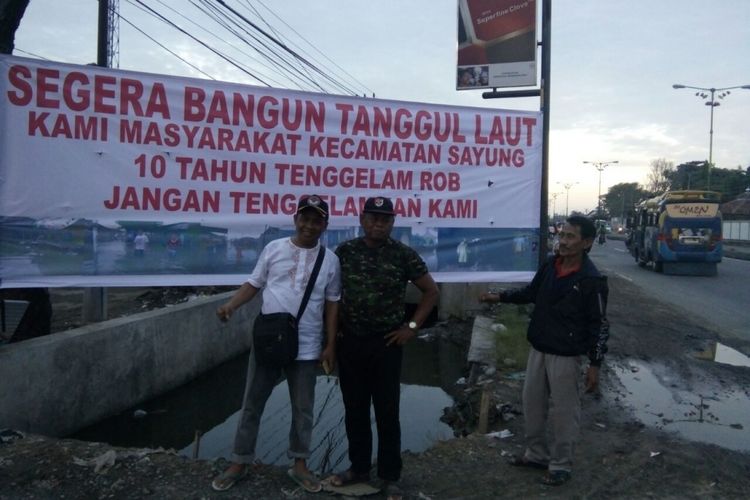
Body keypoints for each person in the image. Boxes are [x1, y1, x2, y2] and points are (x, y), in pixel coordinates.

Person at [210, 195, 341, 493]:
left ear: (325, 225)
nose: (309, 225)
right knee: (252, 403)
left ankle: (299, 465)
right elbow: (254, 283)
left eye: (316, 220)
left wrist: (330, 344)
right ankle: (239, 461)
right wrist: (231, 305)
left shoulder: (331, 260)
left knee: (303, 409)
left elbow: (333, 304)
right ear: (295, 219)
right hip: (268, 341)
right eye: (304, 218)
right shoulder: (274, 249)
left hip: (307, 345)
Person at [479, 215, 609, 486]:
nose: (563, 241)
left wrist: (595, 364)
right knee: (532, 405)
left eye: (570, 237)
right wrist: (499, 296)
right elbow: (530, 293)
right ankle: (536, 455)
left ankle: (561, 465)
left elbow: (600, 324)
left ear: (586, 242)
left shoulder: (591, 280)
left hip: (566, 355)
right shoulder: (551, 265)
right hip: (539, 348)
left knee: (564, 412)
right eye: (562, 235)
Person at [331, 196, 440, 499]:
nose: (378, 223)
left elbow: (431, 292)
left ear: (393, 223)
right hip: (351, 342)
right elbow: (332, 297)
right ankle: (359, 469)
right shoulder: (345, 252)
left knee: (387, 411)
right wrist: (330, 340)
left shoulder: (403, 255)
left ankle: (391, 476)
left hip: (386, 344)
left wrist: (412, 328)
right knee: (354, 410)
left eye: (385, 219)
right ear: (362, 219)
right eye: (373, 217)